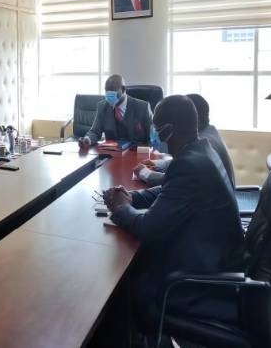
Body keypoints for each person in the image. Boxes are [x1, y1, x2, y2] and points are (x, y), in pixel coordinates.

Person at [103, 95, 246, 323]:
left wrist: (121, 208)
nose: (154, 133)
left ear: (169, 129)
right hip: (216, 257)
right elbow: (167, 191)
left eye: (156, 126)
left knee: (121, 283)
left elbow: (148, 228)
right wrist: (131, 197)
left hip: (199, 279)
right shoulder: (200, 151)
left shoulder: (189, 164)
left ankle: (135, 332)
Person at [134, 93, 235, 188]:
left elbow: (177, 178)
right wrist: (156, 164)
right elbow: (181, 162)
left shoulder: (207, 143)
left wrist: (145, 173)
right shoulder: (209, 132)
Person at [78, 74, 152, 148]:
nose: (108, 93)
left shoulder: (143, 107)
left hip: (135, 151)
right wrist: (87, 140)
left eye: (112, 89)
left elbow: (151, 137)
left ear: (123, 89)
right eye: (106, 90)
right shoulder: (102, 107)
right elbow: (95, 132)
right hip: (112, 151)